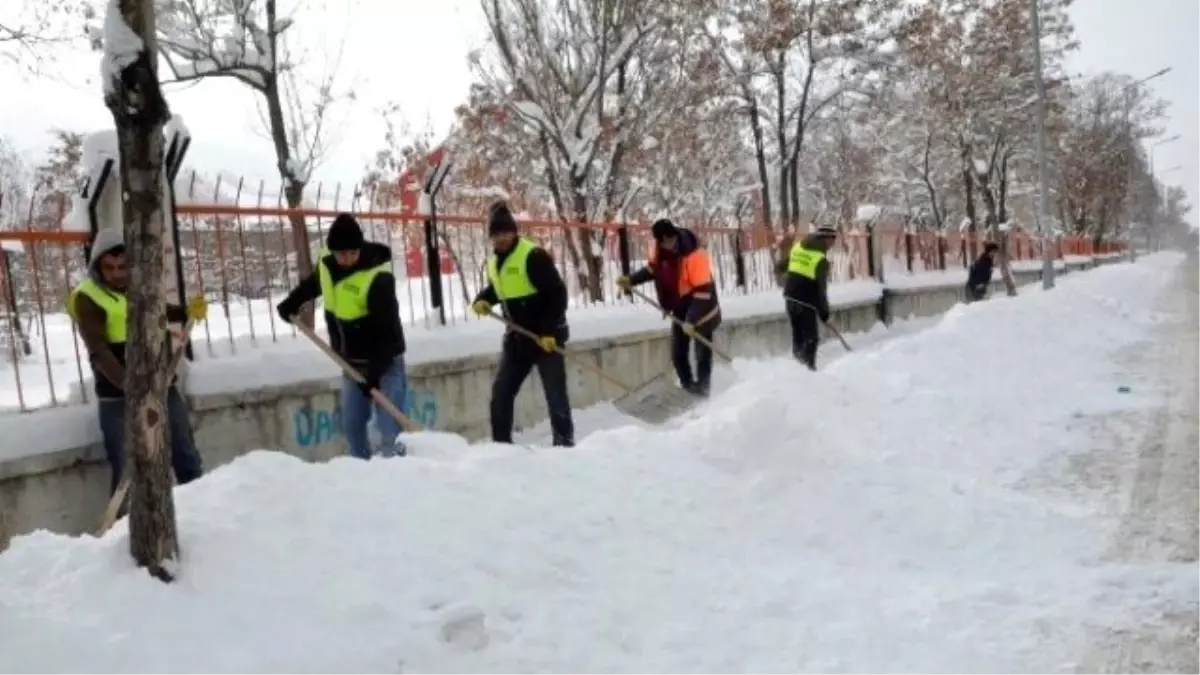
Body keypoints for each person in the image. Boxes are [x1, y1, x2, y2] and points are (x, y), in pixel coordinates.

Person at [66, 228, 207, 495]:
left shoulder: (140, 286)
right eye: (109, 268)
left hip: (163, 387)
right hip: (118, 398)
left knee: (186, 456)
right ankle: (126, 532)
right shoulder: (88, 297)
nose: (117, 273)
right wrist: (129, 385)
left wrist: (187, 311)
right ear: (97, 266)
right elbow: (98, 351)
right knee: (127, 474)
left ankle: (203, 513)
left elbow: (158, 312)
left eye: (123, 266)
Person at [276, 213, 410, 459]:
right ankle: (361, 485)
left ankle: (400, 483)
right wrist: (291, 303)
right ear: (332, 250)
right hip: (351, 364)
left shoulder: (377, 277)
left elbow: (388, 335)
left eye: (352, 253)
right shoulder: (328, 265)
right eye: (341, 254)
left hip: (385, 363)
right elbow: (315, 284)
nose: (347, 259)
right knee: (353, 429)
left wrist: (373, 374)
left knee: (390, 433)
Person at [471, 202, 574, 447]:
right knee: (501, 395)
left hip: (546, 338)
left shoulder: (533, 256)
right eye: (497, 235)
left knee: (555, 396)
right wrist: (483, 300)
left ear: (515, 232)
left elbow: (558, 294)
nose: (503, 239)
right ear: (491, 238)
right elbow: (499, 289)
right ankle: (501, 447)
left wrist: (549, 331)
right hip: (518, 339)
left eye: (507, 233)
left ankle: (564, 445)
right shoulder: (495, 263)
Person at [617, 218, 721, 397]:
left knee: (702, 354)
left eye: (671, 240)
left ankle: (704, 391)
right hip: (680, 308)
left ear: (675, 235)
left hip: (702, 308)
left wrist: (692, 319)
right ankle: (689, 389)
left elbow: (703, 292)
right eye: (664, 242)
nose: (669, 245)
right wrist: (631, 280)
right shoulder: (659, 251)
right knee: (678, 354)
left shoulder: (695, 254)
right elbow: (652, 270)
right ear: (659, 241)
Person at [776, 225, 837, 370]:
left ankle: (797, 368)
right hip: (806, 302)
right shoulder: (820, 259)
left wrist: (793, 278)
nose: (833, 244)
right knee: (811, 339)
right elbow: (821, 290)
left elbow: (780, 267)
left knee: (798, 336)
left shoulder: (799, 247)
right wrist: (825, 314)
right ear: (827, 239)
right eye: (833, 240)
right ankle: (808, 371)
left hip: (790, 298)